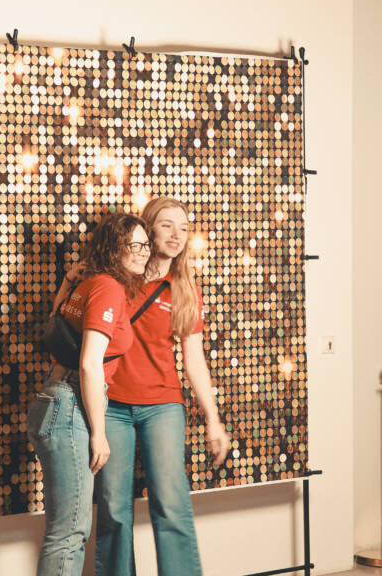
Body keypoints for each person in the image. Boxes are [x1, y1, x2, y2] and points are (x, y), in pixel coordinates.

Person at [95, 196, 231, 576]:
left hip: (162, 406)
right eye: (168, 225)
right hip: (112, 407)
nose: (177, 235)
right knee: (113, 511)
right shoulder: (118, 280)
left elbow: (194, 360)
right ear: (148, 228)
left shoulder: (185, 290)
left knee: (171, 505)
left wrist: (213, 419)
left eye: (184, 228)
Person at [26, 212, 151, 576]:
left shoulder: (88, 283)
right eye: (136, 245)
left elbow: (55, 322)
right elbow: (90, 365)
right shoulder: (108, 287)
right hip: (69, 406)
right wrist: (99, 432)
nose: (144, 251)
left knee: (62, 530)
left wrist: (67, 280)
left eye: (146, 244)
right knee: (70, 534)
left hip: (53, 400)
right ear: (115, 247)